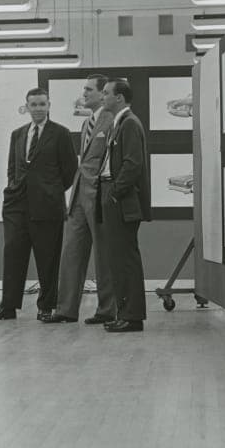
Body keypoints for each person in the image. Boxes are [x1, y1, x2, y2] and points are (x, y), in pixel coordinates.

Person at [0, 86, 78, 321]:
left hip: (47, 207)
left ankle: (46, 306)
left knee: (47, 259)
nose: (38, 109)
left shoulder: (61, 133)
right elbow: (12, 167)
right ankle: (8, 306)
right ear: (27, 107)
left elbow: (69, 172)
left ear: (49, 106)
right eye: (33, 104)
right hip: (17, 205)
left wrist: (50, 191)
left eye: (42, 104)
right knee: (13, 254)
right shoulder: (18, 134)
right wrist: (14, 189)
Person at [40, 75, 115, 325]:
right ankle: (66, 309)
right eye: (84, 89)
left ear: (103, 93)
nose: (84, 93)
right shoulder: (87, 123)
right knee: (71, 252)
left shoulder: (112, 119)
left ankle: (107, 310)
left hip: (99, 194)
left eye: (88, 89)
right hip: (79, 195)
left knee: (104, 255)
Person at [96, 78, 151, 332]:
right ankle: (125, 312)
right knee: (117, 259)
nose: (102, 97)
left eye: (106, 93)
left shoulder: (129, 123)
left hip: (121, 199)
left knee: (125, 259)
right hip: (114, 196)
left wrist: (115, 194)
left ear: (119, 98)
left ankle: (132, 316)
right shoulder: (119, 124)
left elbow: (132, 164)